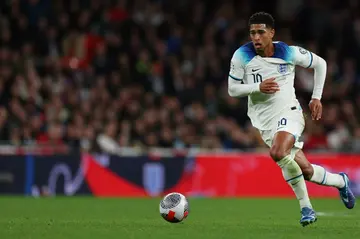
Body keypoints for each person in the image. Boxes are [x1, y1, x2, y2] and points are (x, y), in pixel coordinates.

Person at [227, 12, 356, 227]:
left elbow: (321, 64)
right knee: (305, 170)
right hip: (264, 122)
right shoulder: (241, 56)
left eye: (261, 32)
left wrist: (316, 98)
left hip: (290, 112)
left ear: (271, 33)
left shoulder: (288, 52)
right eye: (252, 33)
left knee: (278, 152)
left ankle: (307, 209)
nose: (256, 37)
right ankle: (340, 181)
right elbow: (232, 90)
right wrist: (257, 87)